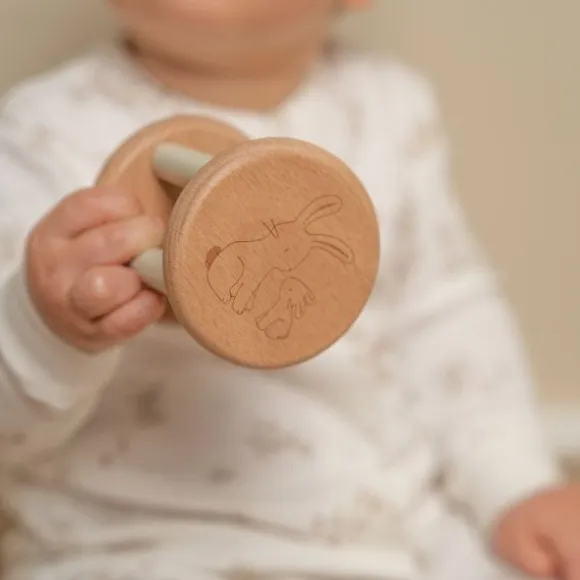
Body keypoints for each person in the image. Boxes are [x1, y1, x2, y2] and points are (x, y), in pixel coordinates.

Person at [0, 1, 577, 579]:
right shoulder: (43, 131)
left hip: (397, 525)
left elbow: (446, 316)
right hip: (144, 540)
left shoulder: (387, 106)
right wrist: (42, 326)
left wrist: (515, 482)